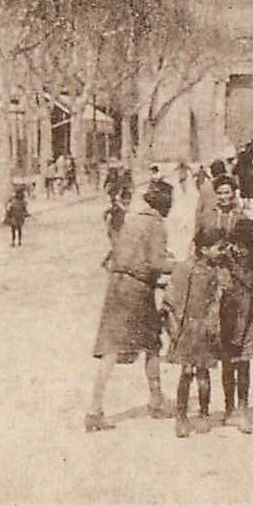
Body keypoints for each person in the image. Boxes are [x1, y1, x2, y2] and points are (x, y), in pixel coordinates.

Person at [86, 179, 176, 432]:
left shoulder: (133, 220)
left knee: (111, 347)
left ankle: (95, 409)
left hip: (116, 285)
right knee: (152, 344)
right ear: (164, 202)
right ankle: (156, 401)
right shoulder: (156, 223)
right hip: (137, 289)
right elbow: (157, 262)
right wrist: (179, 266)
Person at [163, 228, 227, 438]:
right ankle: (181, 417)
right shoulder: (186, 268)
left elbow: (219, 297)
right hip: (188, 329)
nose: (222, 251)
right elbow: (172, 301)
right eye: (219, 248)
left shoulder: (217, 269)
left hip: (207, 329)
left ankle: (204, 414)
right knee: (187, 372)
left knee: (204, 373)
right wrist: (175, 331)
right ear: (204, 248)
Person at [217, 217, 253, 434]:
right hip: (227, 317)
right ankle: (229, 408)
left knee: (244, 365)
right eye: (239, 244)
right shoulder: (224, 259)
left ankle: (243, 408)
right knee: (228, 365)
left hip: (249, 318)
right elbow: (222, 285)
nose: (243, 249)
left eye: (247, 245)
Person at [198, 175, 245, 245]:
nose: (223, 197)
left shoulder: (241, 217)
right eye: (219, 193)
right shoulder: (207, 215)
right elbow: (199, 239)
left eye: (227, 193)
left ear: (233, 193)